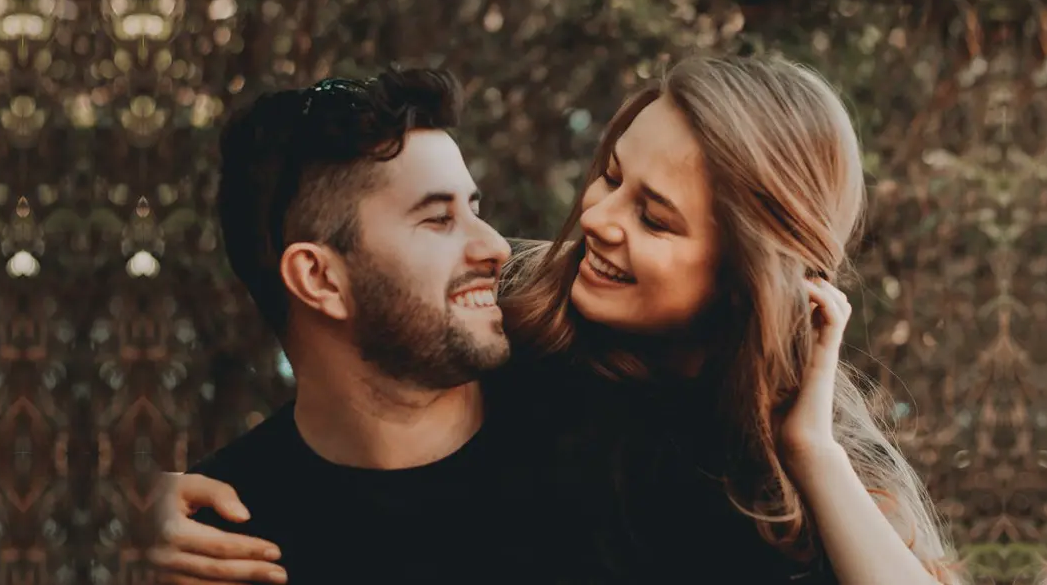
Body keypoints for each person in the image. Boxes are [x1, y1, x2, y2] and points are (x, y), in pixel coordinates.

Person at [151, 56, 965, 584]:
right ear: (315, 280)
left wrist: (813, 450)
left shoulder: (704, 467)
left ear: (741, 278)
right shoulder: (235, 524)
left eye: (656, 217)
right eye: (610, 177)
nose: (597, 219)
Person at [149, 69, 557, 584]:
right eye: (437, 219)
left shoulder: (595, 426)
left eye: (475, 209)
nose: (496, 246)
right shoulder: (220, 547)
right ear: (319, 278)